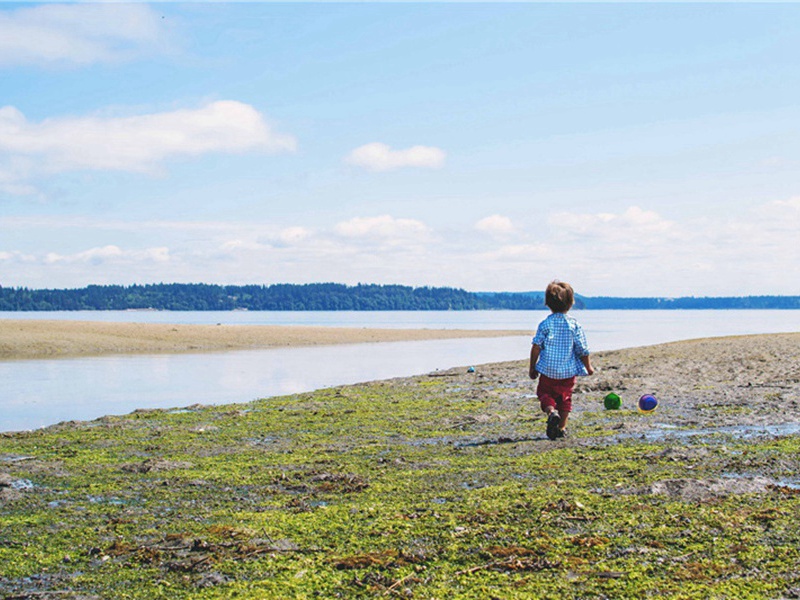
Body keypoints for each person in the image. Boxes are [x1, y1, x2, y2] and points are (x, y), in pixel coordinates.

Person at [529, 281, 594, 440]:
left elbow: (536, 346)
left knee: (544, 393)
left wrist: (532, 367)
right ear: (571, 303)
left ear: (547, 304)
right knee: (565, 398)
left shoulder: (545, 324)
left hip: (548, 370)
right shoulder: (574, 325)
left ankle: (551, 412)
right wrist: (588, 367)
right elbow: (582, 349)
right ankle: (562, 427)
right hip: (568, 372)